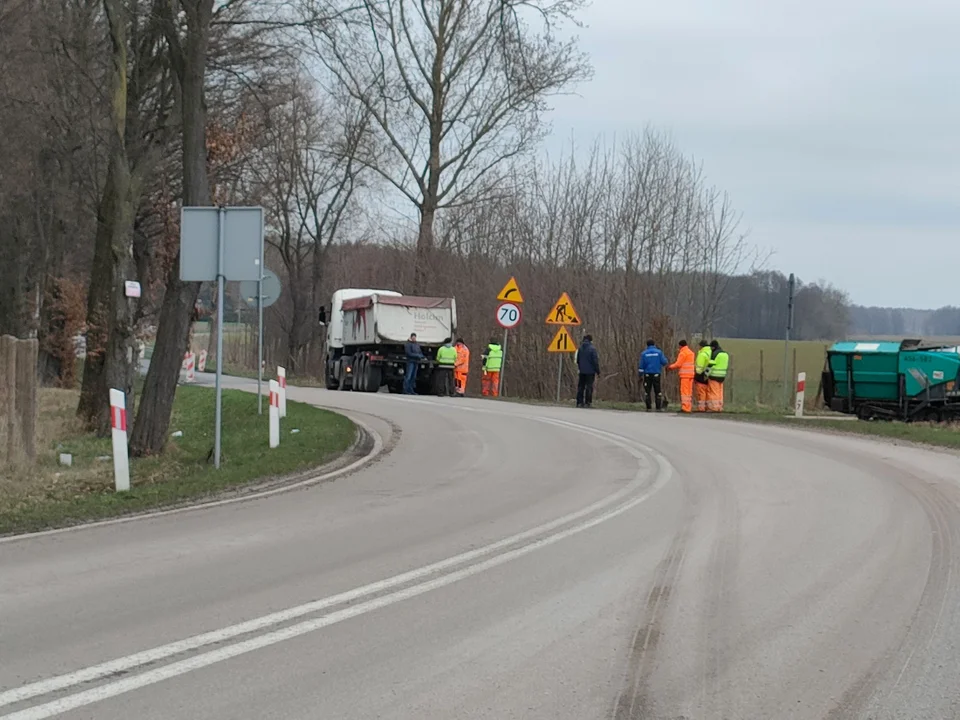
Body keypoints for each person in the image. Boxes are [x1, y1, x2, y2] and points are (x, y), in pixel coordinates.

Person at [638, 339, 669, 411]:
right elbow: (664, 362)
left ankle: (648, 407)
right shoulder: (659, 352)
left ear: (647, 345)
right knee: (657, 391)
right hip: (656, 374)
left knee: (647, 391)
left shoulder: (644, 354)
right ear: (654, 344)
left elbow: (641, 366)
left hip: (647, 374)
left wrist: (640, 375)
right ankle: (658, 407)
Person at [668, 339, 696, 413]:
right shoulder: (691, 353)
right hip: (691, 374)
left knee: (684, 392)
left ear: (680, 346)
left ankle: (685, 407)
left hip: (685, 375)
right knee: (689, 392)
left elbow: (678, 364)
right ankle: (689, 407)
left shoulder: (683, 353)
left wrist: (670, 367)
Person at [576, 334, 600, 408]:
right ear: (591, 340)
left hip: (582, 371)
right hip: (590, 371)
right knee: (589, 387)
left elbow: (578, 360)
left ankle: (579, 402)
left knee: (581, 387)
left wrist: (580, 368)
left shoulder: (580, 348)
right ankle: (588, 402)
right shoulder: (592, 349)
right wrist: (598, 371)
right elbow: (595, 361)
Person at [706, 339, 729, 412]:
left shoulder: (715, 354)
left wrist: (706, 374)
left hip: (714, 376)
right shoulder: (725, 354)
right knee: (720, 393)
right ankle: (720, 407)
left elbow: (710, 365)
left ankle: (714, 408)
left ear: (713, 347)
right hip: (722, 376)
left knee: (713, 392)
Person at [694, 340, 712, 412]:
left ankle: (701, 408)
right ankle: (708, 407)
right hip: (709, 374)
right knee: (708, 392)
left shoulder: (702, 354)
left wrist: (696, 375)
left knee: (701, 392)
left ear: (701, 346)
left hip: (701, 376)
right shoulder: (711, 352)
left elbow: (699, 368)